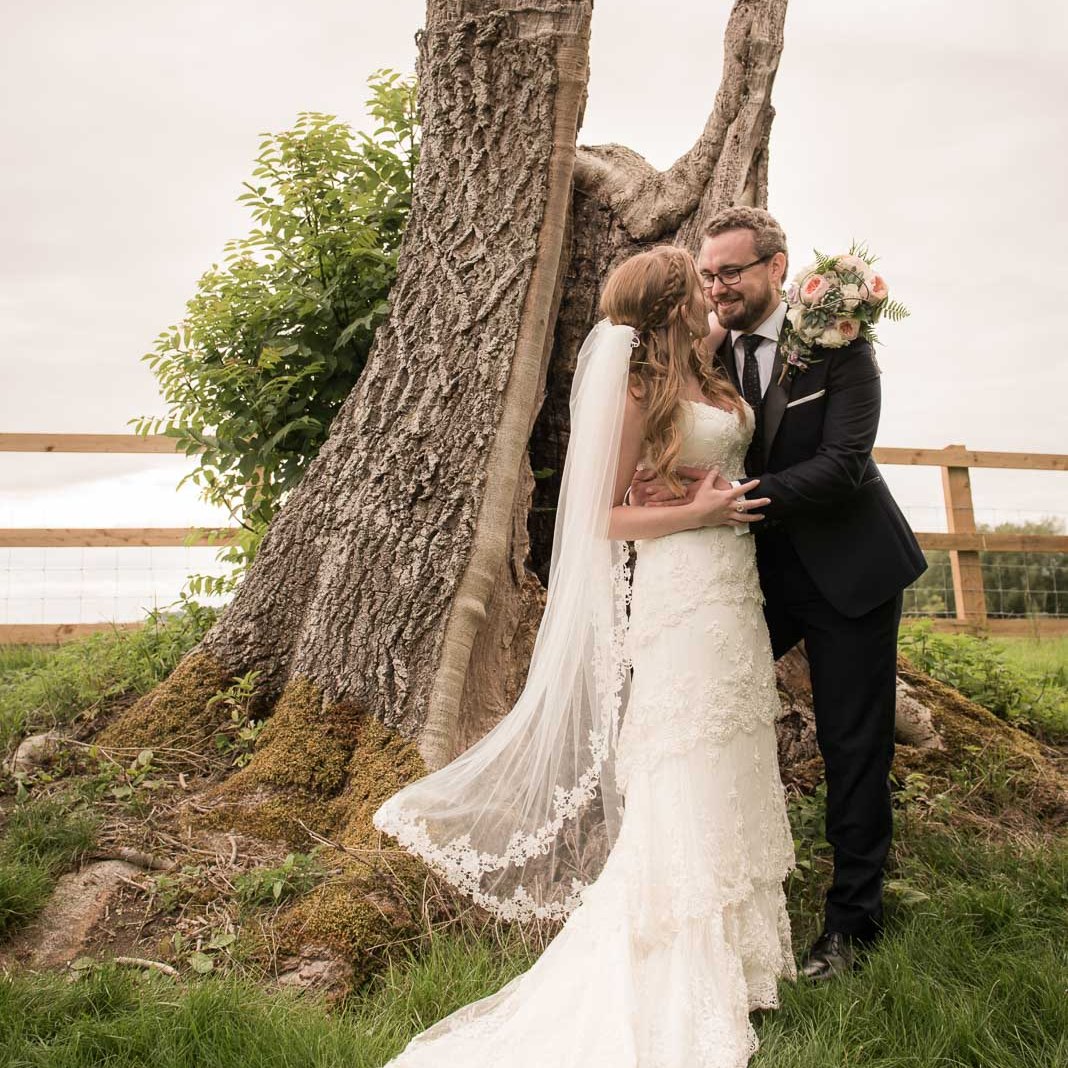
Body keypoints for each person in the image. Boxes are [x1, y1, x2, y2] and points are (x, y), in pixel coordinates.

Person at [373, 244, 795, 1067]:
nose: (712, 294)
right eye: (697, 285)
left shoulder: (710, 370)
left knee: (733, 748)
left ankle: (740, 954)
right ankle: (674, 949)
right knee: (686, 756)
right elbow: (601, 515)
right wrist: (695, 515)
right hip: (681, 590)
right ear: (672, 304)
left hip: (733, 593)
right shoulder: (639, 387)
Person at [633, 207, 927, 979]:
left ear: (777, 268)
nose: (718, 286)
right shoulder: (704, 353)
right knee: (703, 719)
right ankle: (706, 896)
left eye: (732, 271)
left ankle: (853, 926)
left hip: (849, 577)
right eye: (708, 273)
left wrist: (732, 497)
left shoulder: (839, 349)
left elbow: (845, 464)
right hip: (745, 582)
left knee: (851, 746)